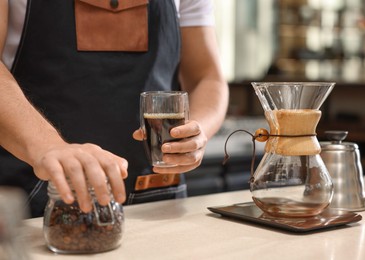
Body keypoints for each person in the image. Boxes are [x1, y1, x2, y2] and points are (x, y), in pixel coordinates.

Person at [0, 0, 229, 217]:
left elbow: (207, 78)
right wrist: (48, 147)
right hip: (33, 201)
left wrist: (196, 132)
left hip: (158, 198)